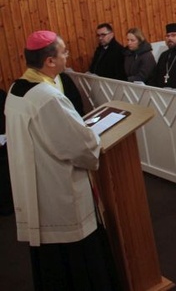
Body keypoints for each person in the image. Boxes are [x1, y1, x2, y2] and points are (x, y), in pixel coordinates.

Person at [5, 30, 118, 289]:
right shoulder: (48, 97)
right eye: (63, 52)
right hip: (58, 189)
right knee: (77, 264)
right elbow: (80, 146)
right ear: (50, 62)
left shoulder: (17, 89)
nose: (67, 56)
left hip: (35, 186)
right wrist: (93, 140)